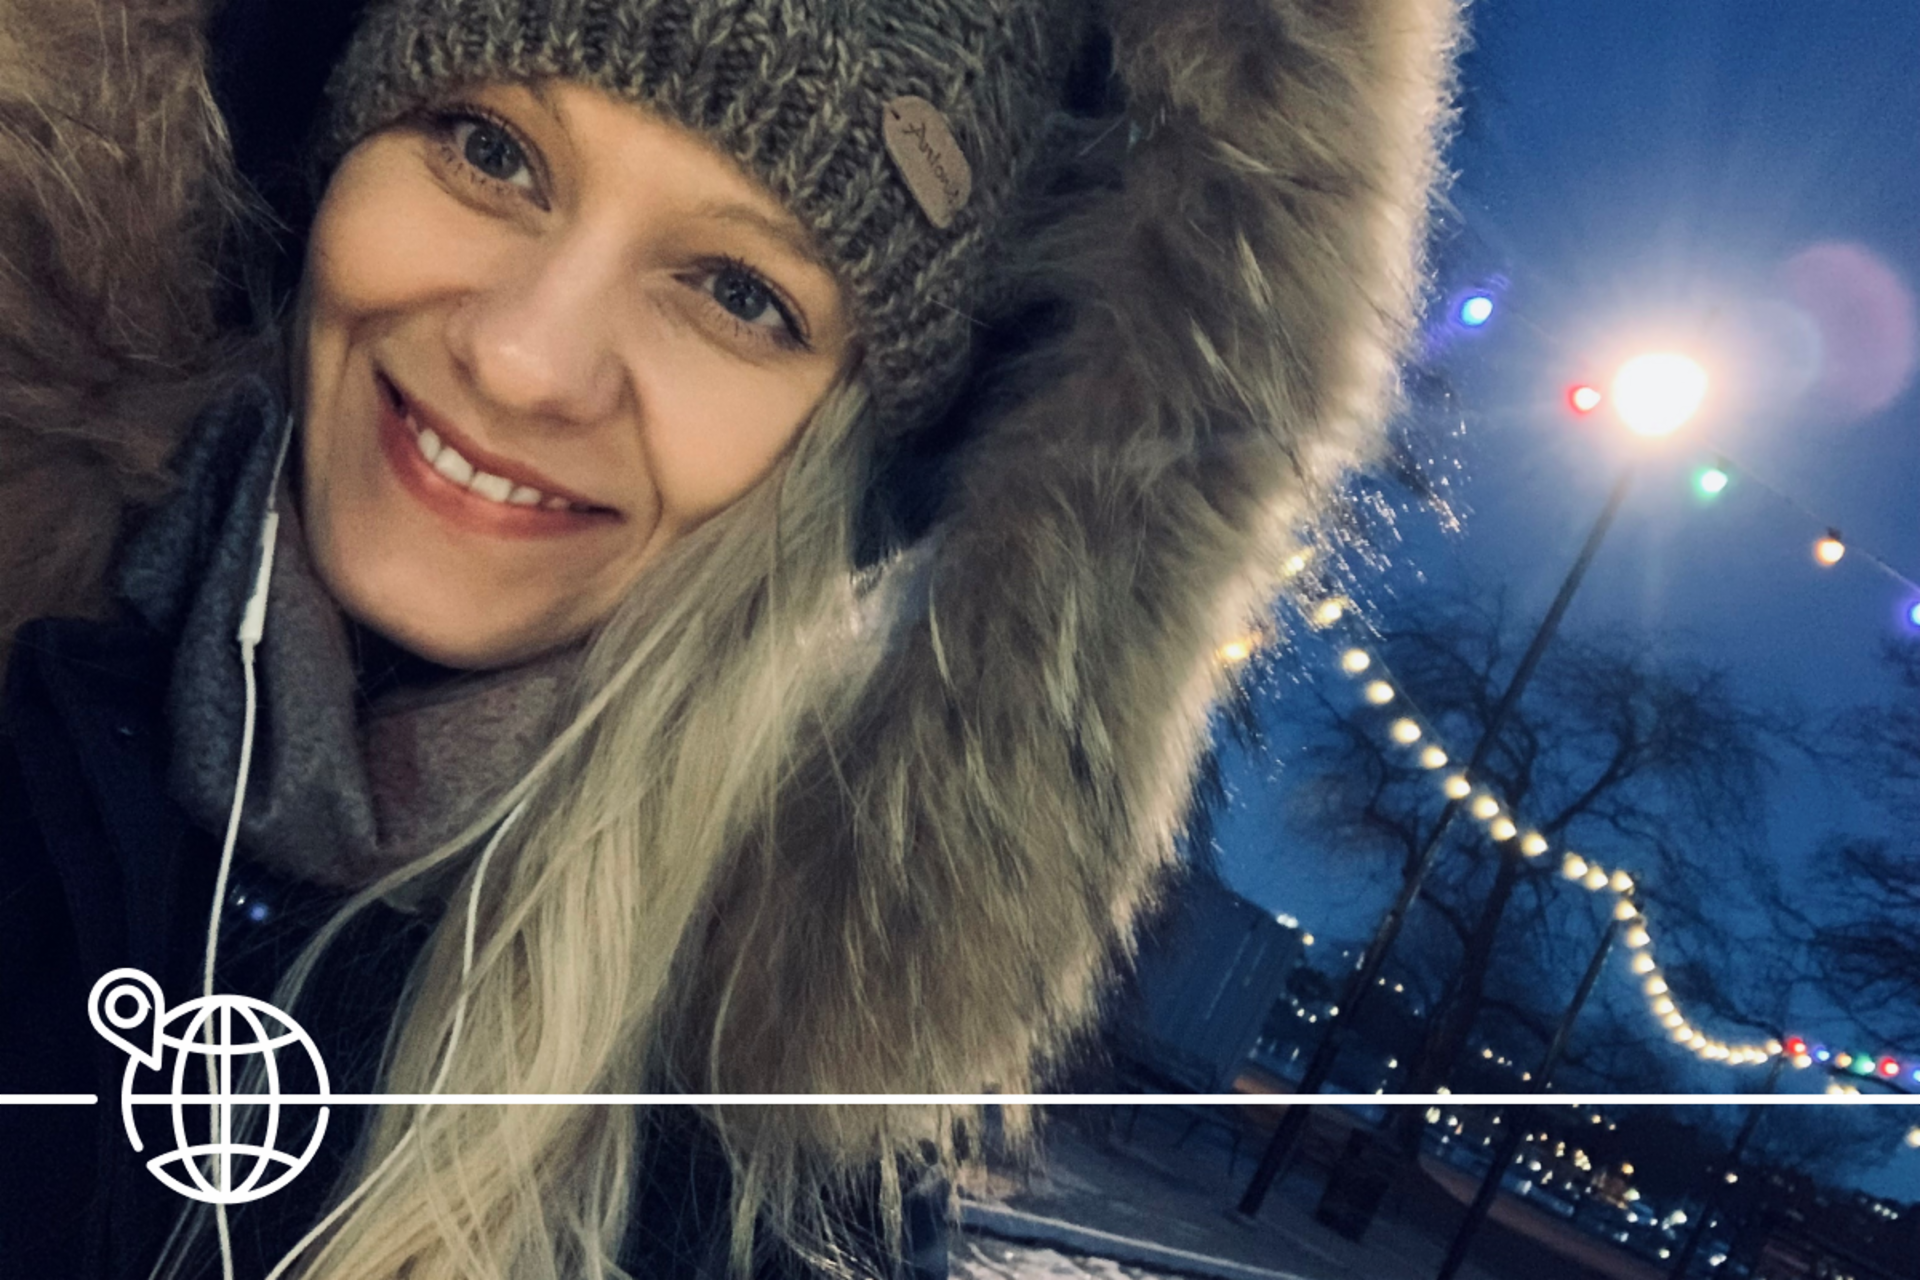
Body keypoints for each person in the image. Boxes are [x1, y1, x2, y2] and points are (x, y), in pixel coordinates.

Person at [0, 0, 1463, 1277]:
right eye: (487, 147)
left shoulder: (759, 1193)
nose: (525, 358)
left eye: (739, 294)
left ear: (856, 455)